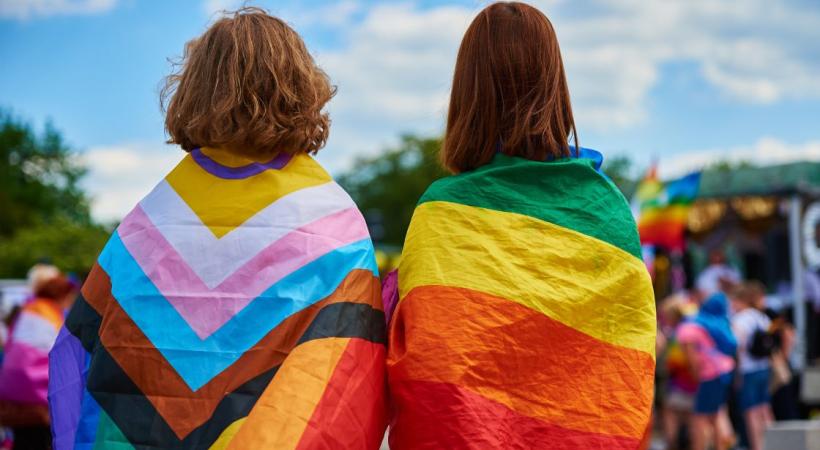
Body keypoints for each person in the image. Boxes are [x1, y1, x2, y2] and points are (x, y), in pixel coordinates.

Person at [48, 8, 386, 450]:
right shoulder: (333, 220)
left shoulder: (146, 222)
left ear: (197, 89)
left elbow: (77, 352)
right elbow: (348, 374)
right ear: (302, 89)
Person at [385, 3, 656, 448]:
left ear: (468, 92)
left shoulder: (445, 211)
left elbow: (430, 363)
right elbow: (626, 364)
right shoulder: (606, 210)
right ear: (555, 85)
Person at [0, 275, 77, 450]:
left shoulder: (28, 309)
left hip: (12, 392)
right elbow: (62, 353)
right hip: (39, 395)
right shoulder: (52, 314)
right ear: (63, 294)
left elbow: (9, 345)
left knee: (22, 440)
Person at [678, 293, 738, 450]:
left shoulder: (689, 328)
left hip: (709, 375)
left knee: (700, 418)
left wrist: (696, 376)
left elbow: (693, 359)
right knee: (717, 413)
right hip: (725, 371)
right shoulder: (720, 323)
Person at [731, 282, 774, 450]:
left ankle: (757, 447)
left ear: (742, 300)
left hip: (748, 370)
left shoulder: (741, 319)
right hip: (764, 367)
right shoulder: (761, 317)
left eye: (734, 301)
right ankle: (773, 444)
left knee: (751, 412)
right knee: (764, 408)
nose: (732, 305)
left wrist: (736, 366)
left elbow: (737, 343)